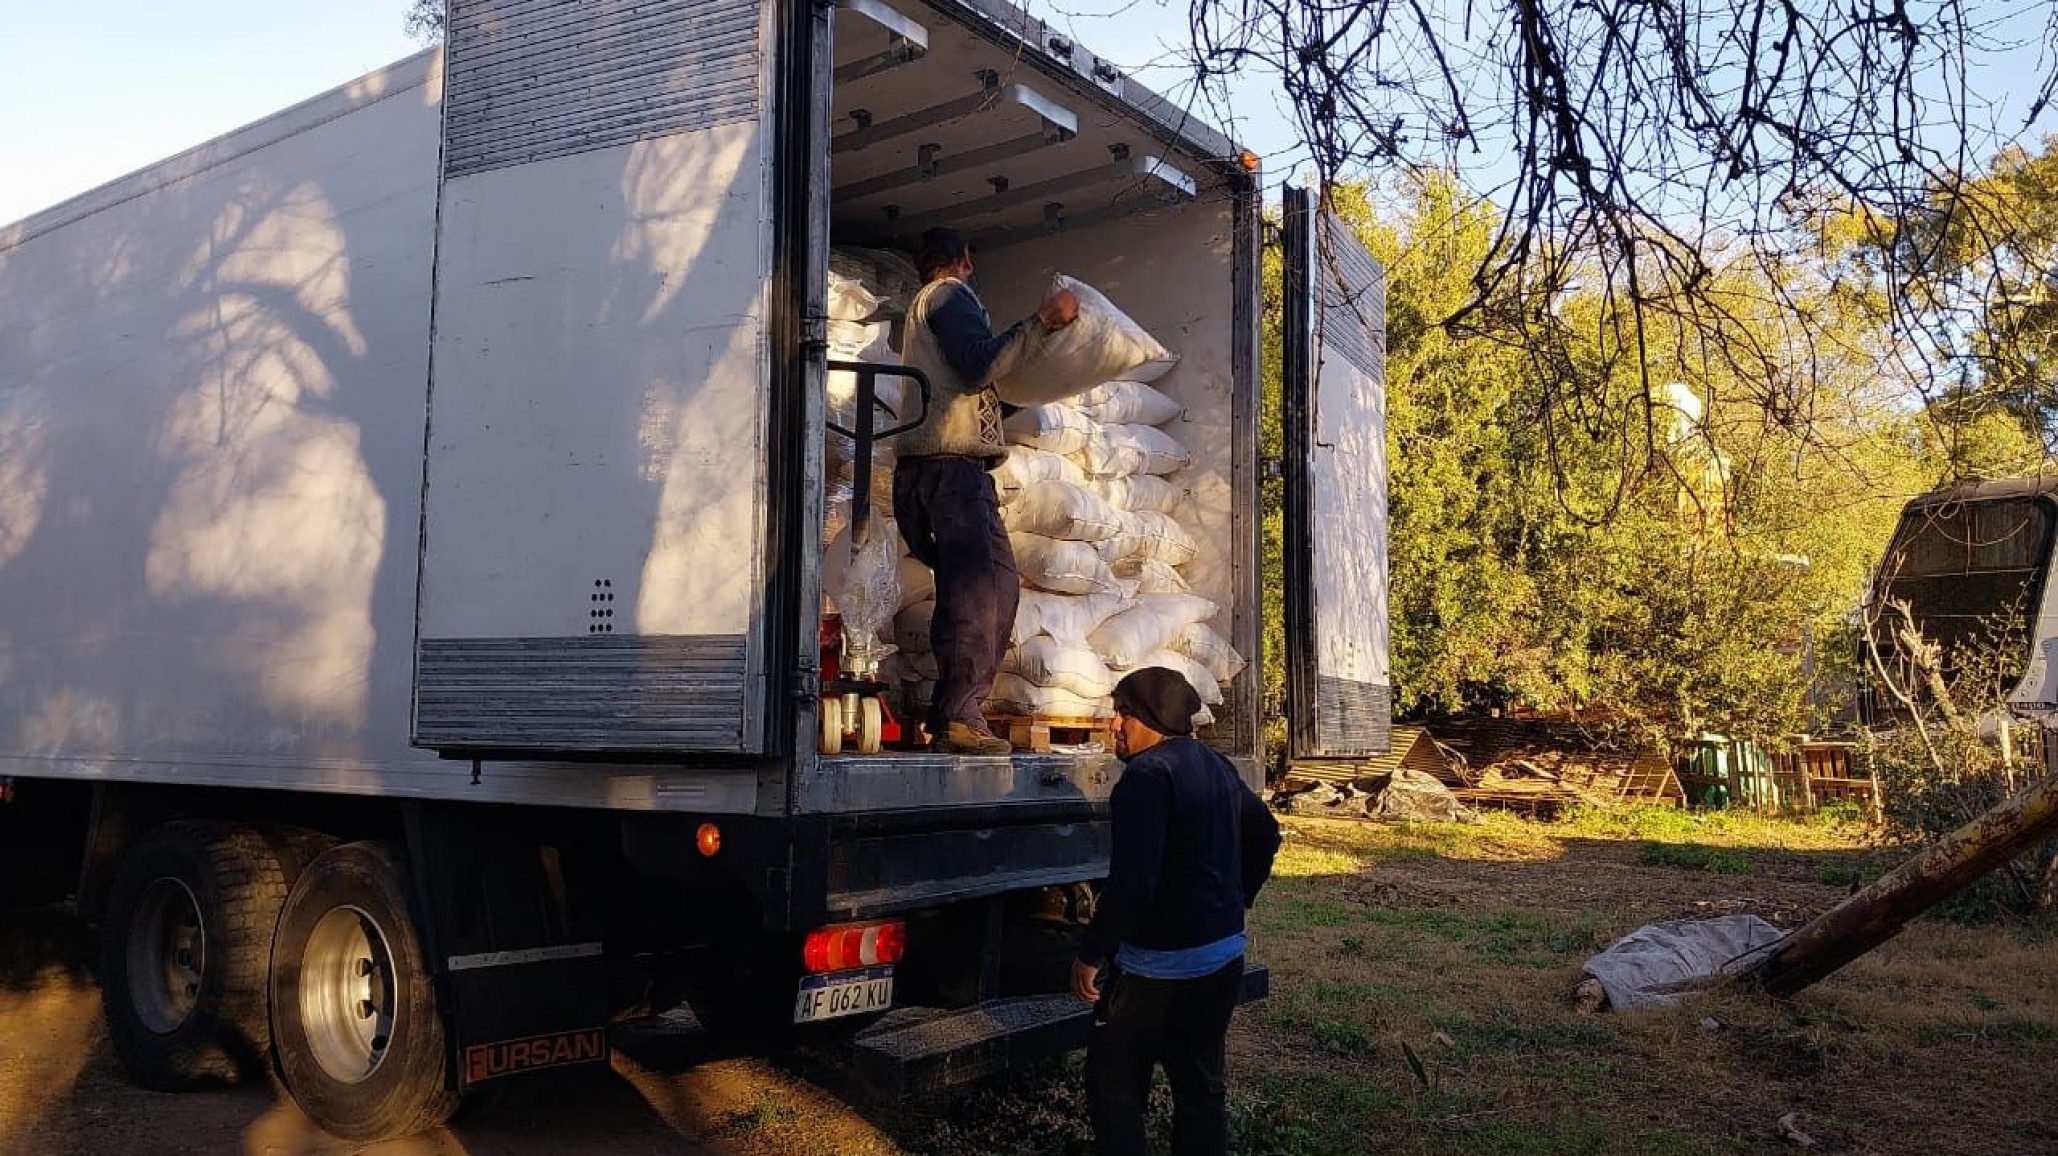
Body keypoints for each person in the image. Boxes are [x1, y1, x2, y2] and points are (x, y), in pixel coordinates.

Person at [1070, 667, 1283, 1156]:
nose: (1114, 726)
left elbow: (1133, 883)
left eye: (1124, 714)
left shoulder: (1146, 777)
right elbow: (1265, 834)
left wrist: (1090, 953)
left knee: (1115, 1089)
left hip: (1156, 970)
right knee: (1201, 1089)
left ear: (1151, 718)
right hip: (1222, 958)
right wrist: (1238, 899)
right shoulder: (1215, 765)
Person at [894, 227, 1077, 755]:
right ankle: (955, 715)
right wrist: (1041, 322)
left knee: (992, 588)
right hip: (949, 471)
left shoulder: (930, 311)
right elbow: (978, 365)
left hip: (949, 471)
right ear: (965, 260)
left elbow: (976, 388)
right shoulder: (949, 296)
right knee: (977, 591)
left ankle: (958, 709)